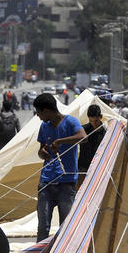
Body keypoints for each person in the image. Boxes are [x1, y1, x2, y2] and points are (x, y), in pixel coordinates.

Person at [33, 93, 86, 241]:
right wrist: (42, 153)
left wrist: (60, 141)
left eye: (38, 113)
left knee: (66, 227)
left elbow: (83, 137)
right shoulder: (44, 127)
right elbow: (41, 149)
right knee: (43, 227)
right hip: (46, 182)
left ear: (46, 111)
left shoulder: (70, 122)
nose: (38, 116)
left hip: (66, 182)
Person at [77, 104, 107, 188]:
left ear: (101, 117)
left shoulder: (106, 133)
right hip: (83, 168)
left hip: (97, 169)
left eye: (96, 121)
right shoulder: (83, 130)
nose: (94, 124)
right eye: (91, 121)